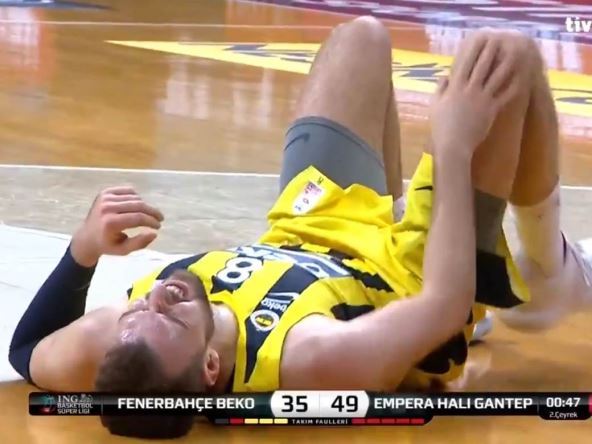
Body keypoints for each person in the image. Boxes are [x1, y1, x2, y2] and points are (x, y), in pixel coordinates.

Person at [8, 17, 592, 439]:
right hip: (418, 275)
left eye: (140, 308)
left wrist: (83, 251)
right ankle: (550, 271)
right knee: (507, 58)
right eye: (170, 317)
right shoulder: (311, 360)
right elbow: (444, 304)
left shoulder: (123, 347)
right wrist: (454, 143)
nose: (158, 295)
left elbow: (26, 349)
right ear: (210, 369)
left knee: (360, 38)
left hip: (309, 224)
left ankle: (409, 219)